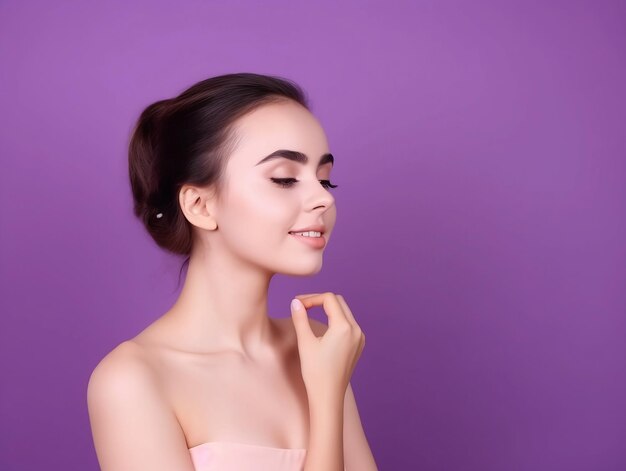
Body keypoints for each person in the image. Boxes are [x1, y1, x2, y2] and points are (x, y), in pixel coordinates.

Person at [86, 72, 377, 471]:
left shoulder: (319, 347)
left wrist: (330, 388)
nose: (321, 198)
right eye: (284, 178)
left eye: (326, 180)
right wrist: (326, 403)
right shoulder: (132, 379)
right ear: (200, 206)